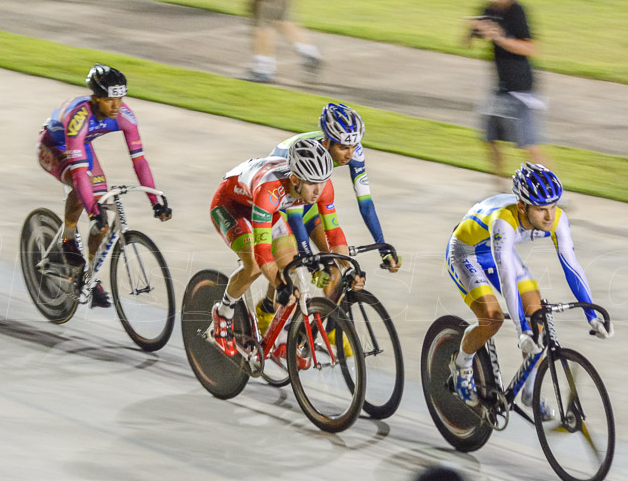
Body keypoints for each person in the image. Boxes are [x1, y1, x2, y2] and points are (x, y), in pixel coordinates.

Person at [446, 163, 611, 415]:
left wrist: (592, 315)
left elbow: (572, 267)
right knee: (493, 318)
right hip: (466, 252)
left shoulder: (556, 219)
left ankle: (529, 392)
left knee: (538, 318)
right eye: (541, 209)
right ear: (522, 207)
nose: (549, 216)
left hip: (497, 251)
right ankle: (462, 367)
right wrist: (521, 329)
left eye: (554, 207)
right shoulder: (504, 221)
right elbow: (507, 277)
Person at [208, 138, 362, 357]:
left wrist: (347, 267)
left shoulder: (322, 186)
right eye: (311, 183)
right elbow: (263, 253)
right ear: (296, 179)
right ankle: (222, 313)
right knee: (253, 266)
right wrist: (280, 285)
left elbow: (334, 234)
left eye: (322, 181)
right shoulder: (269, 191)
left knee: (291, 263)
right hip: (230, 205)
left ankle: (273, 329)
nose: (318, 190)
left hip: (265, 210)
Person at [36, 64, 170, 308]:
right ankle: (67, 238)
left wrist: (155, 201)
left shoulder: (125, 116)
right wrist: (92, 212)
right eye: (110, 100)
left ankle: (87, 276)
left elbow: (139, 162)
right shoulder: (79, 118)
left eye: (120, 98)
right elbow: (78, 175)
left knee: (103, 220)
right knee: (84, 192)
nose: (116, 106)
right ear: (96, 98)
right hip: (54, 146)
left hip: (81, 145)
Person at [263, 103, 400, 332]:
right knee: (292, 261)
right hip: (281, 197)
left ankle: (334, 330)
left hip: (307, 195)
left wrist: (383, 248)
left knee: (340, 259)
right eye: (343, 146)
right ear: (327, 141)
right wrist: (309, 259)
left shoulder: (353, 152)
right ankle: (268, 309)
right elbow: (294, 216)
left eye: (354, 145)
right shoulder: (307, 156)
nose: (350, 153)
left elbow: (365, 204)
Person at [464, 0, 549, 190]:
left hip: (520, 88)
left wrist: (501, 38)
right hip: (500, 88)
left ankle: (552, 191)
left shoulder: (517, 11)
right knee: (489, 138)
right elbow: (468, 39)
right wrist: (473, 29)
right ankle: (499, 188)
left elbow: (531, 48)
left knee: (528, 144)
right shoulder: (488, 9)